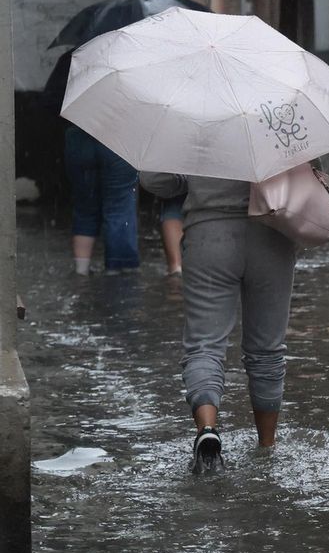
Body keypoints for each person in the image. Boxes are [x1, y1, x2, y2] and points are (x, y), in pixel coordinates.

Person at [139, 171, 296, 473]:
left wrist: (189, 179)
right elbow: (309, 170)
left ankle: (207, 430)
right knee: (267, 350)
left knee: (204, 345)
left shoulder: (197, 121)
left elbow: (154, 180)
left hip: (209, 235)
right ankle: (266, 447)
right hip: (272, 233)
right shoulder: (279, 122)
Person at [49, 53, 139, 275]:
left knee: (84, 205)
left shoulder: (74, 58)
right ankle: (116, 268)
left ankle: (81, 269)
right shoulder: (128, 61)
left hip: (79, 135)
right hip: (117, 137)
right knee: (118, 205)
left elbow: (51, 101)